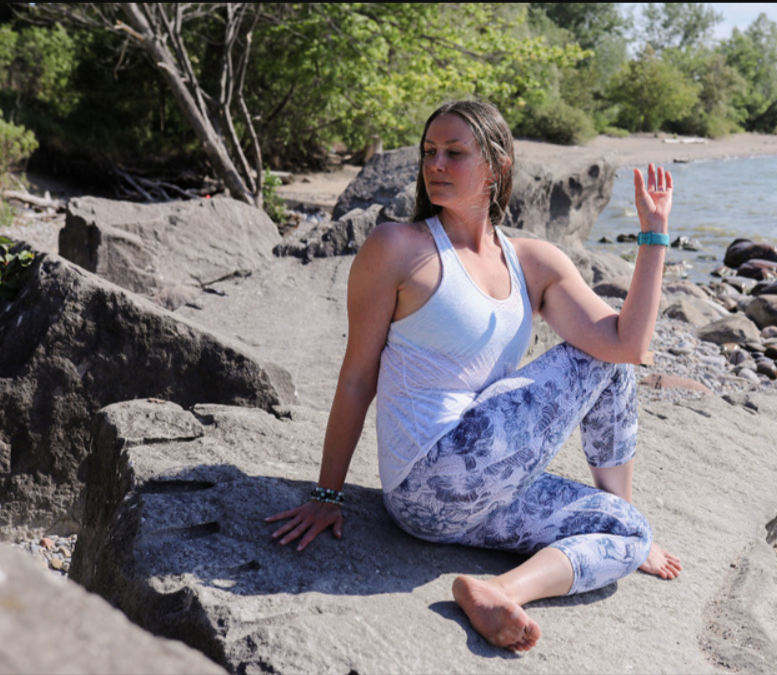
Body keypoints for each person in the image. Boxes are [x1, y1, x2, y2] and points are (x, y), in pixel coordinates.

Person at [266, 99, 680, 653]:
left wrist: (654, 237)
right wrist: (326, 493)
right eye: (429, 152)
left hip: (470, 505)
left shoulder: (532, 262)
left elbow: (630, 342)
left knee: (630, 535)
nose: (436, 164)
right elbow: (356, 377)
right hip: (428, 477)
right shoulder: (398, 249)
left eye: (454, 153)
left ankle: (499, 591)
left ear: (498, 165)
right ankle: (601, 518)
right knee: (597, 358)